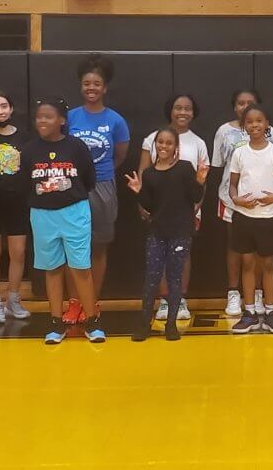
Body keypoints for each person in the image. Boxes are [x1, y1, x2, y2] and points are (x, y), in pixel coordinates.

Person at [21, 98, 103, 344]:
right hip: (42, 214)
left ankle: (92, 321)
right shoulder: (29, 150)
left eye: (48, 116)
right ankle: (56, 323)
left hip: (74, 211)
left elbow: (89, 179)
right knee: (52, 268)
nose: (42, 121)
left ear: (62, 120)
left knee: (80, 268)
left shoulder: (76, 147)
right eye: (39, 117)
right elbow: (25, 183)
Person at [126, 127, 208, 342]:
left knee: (174, 278)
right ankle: (145, 323)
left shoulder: (184, 168)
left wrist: (199, 180)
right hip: (157, 231)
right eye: (160, 142)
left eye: (168, 143)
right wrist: (139, 192)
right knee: (152, 278)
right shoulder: (151, 173)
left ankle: (171, 325)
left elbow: (194, 196)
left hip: (180, 232)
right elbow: (150, 205)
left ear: (176, 147)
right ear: (155, 145)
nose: (163, 146)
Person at [65, 55, 130, 326]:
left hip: (103, 186)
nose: (91, 88)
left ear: (104, 88)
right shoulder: (70, 117)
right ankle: (74, 303)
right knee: (73, 248)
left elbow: (119, 156)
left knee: (98, 248)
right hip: (72, 188)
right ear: (81, 86)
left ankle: (93, 301)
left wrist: (99, 174)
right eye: (86, 83)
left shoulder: (115, 120)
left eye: (97, 84)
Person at [138, 93, 209, 322]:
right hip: (159, 211)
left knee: (181, 255)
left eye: (187, 108)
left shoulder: (198, 143)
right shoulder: (152, 138)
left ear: (193, 113)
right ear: (170, 110)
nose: (183, 112)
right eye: (178, 107)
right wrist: (142, 202)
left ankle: (181, 300)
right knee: (158, 258)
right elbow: (144, 173)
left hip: (184, 212)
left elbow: (201, 179)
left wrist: (197, 205)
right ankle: (164, 300)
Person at [212, 89, 273, 317]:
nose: (244, 106)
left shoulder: (272, 135)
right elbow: (219, 166)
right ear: (235, 107)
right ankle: (234, 293)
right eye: (240, 103)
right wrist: (234, 196)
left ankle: (259, 292)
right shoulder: (224, 131)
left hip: (263, 205)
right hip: (232, 200)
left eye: (249, 103)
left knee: (261, 252)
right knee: (236, 247)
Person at [228, 105, 273, 335]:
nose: (254, 125)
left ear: (267, 124)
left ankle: (270, 312)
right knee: (247, 264)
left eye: (259, 121)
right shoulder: (239, 153)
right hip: (244, 217)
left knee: (267, 265)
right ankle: (249, 313)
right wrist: (237, 200)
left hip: (268, 217)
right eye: (250, 122)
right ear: (244, 126)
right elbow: (233, 185)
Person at [0, 91, 32, 324]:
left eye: (3, 106)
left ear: (11, 109)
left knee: (18, 252)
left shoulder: (25, 136)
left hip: (18, 201)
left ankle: (13, 299)